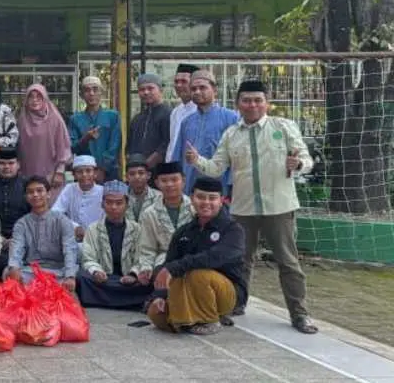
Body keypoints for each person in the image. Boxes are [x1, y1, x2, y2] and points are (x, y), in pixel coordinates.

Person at [187, 79, 316, 333]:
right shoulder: (232, 134)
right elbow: (216, 167)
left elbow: (305, 158)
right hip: (243, 209)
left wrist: (298, 164)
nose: (252, 105)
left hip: (279, 207)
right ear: (238, 104)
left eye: (258, 100)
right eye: (246, 100)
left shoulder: (283, 127)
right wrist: (196, 161)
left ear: (266, 103)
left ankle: (299, 313)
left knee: (288, 262)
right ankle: (235, 304)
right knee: (239, 259)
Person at [146, 176, 246, 335]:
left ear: (221, 200)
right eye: (200, 197)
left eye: (212, 198)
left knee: (198, 274)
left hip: (228, 293)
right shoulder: (183, 231)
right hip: (190, 290)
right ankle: (188, 319)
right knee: (156, 314)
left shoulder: (233, 229)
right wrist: (160, 296)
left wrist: (173, 268)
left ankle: (210, 318)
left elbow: (214, 257)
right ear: (192, 198)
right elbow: (170, 263)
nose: (206, 202)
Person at [77, 181, 151, 309]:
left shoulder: (137, 229)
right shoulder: (93, 229)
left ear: (127, 205)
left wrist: (133, 275)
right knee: (82, 277)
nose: (114, 207)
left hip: (128, 280)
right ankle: (129, 302)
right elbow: (88, 258)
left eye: (119, 203)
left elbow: (143, 256)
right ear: (102, 204)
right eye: (109, 202)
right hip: (104, 280)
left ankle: (104, 301)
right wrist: (96, 272)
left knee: (148, 280)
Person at [6, 176, 79, 288]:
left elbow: (70, 249)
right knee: (8, 273)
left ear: (49, 194)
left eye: (39, 190)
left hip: (58, 271)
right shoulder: (21, 223)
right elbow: (17, 249)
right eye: (30, 192)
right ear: (26, 197)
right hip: (30, 271)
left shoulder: (62, 220)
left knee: (69, 282)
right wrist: (14, 268)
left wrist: (70, 276)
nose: (35, 195)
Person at [173, 69, 239, 193]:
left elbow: (237, 156)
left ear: (214, 90)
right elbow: (177, 156)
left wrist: (231, 185)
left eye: (202, 88)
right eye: (193, 89)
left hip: (219, 187)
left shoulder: (230, 118)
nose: (197, 92)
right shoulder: (187, 122)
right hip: (190, 186)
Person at [134, 162, 191, 284]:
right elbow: (147, 248)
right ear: (157, 183)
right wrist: (146, 268)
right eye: (164, 181)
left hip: (192, 258)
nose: (169, 184)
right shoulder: (150, 213)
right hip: (164, 259)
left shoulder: (195, 208)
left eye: (174, 180)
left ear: (183, 181)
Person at [0, 148, 29, 278]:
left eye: (11, 163)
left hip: (23, 241)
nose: (6, 167)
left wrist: (17, 239)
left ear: (18, 165)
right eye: (2, 163)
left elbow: (34, 216)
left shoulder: (27, 186)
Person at [68, 75, 122, 181]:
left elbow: (115, 146)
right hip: (84, 174)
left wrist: (102, 169)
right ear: (82, 95)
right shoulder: (75, 119)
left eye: (95, 89)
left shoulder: (112, 116)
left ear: (101, 92)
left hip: (109, 173)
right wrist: (86, 138)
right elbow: (72, 147)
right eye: (87, 90)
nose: (91, 93)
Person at [16, 83, 71, 182]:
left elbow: (63, 147)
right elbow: (18, 148)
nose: (34, 100)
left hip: (51, 174)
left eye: (39, 97)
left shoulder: (55, 119)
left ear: (45, 99)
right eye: (31, 97)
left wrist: (60, 172)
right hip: (26, 174)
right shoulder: (22, 120)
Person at [52, 155, 105, 241]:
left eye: (88, 171)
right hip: (74, 238)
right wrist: (75, 227)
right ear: (74, 175)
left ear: (95, 173)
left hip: (97, 238)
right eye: (80, 172)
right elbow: (55, 213)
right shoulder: (70, 189)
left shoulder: (103, 191)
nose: (84, 175)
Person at [127, 73, 173, 169]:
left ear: (161, 90)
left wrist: (150, 162)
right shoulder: (137, 119)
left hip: (161, 172)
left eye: (150, 88)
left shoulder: (169, 114)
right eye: (142, 89)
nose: (146, 92)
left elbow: (168, 142)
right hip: (137, 172)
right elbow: (129, 146)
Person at [167, 64, 200, 163]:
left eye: (184, 82)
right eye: (176, 82)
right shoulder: (175, 112)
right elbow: (172, 143)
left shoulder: (200, 111)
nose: (178, 85)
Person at [125, 157, 162, 222]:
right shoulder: (120, 197)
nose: (136, 177)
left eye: (141, 173)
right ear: (127, 177)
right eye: (132, 174)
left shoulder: (160, 197)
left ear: (148, 175)